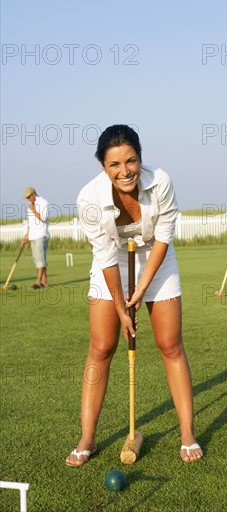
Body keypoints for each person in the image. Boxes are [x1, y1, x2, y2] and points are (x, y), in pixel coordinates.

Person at [66, 125, 203, 466]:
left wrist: (141, 289)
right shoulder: (89, 198)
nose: (124, 171)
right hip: (111, 261)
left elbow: (164, 237)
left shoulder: (162, 182)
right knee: (101, 347)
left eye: (131, 161)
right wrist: (121, 306)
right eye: (114, 164)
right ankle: (88, 437)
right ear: (103, 166)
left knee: (170, 344)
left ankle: (187, 433)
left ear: (141, 159)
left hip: (156, 260)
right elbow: (104, 255)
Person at [21, 187, 50, 289]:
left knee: (39, 257)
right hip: (32, 235)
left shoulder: (44, 203)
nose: (29, 199)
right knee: (37, 257)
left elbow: (43, 218)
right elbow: (29, 223)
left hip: (41, 234)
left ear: (34, 194)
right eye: (27, 198)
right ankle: (44, 281)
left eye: (29, 197)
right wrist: (25, 236)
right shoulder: (30, 206)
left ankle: (38, 282)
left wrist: (33, 210)